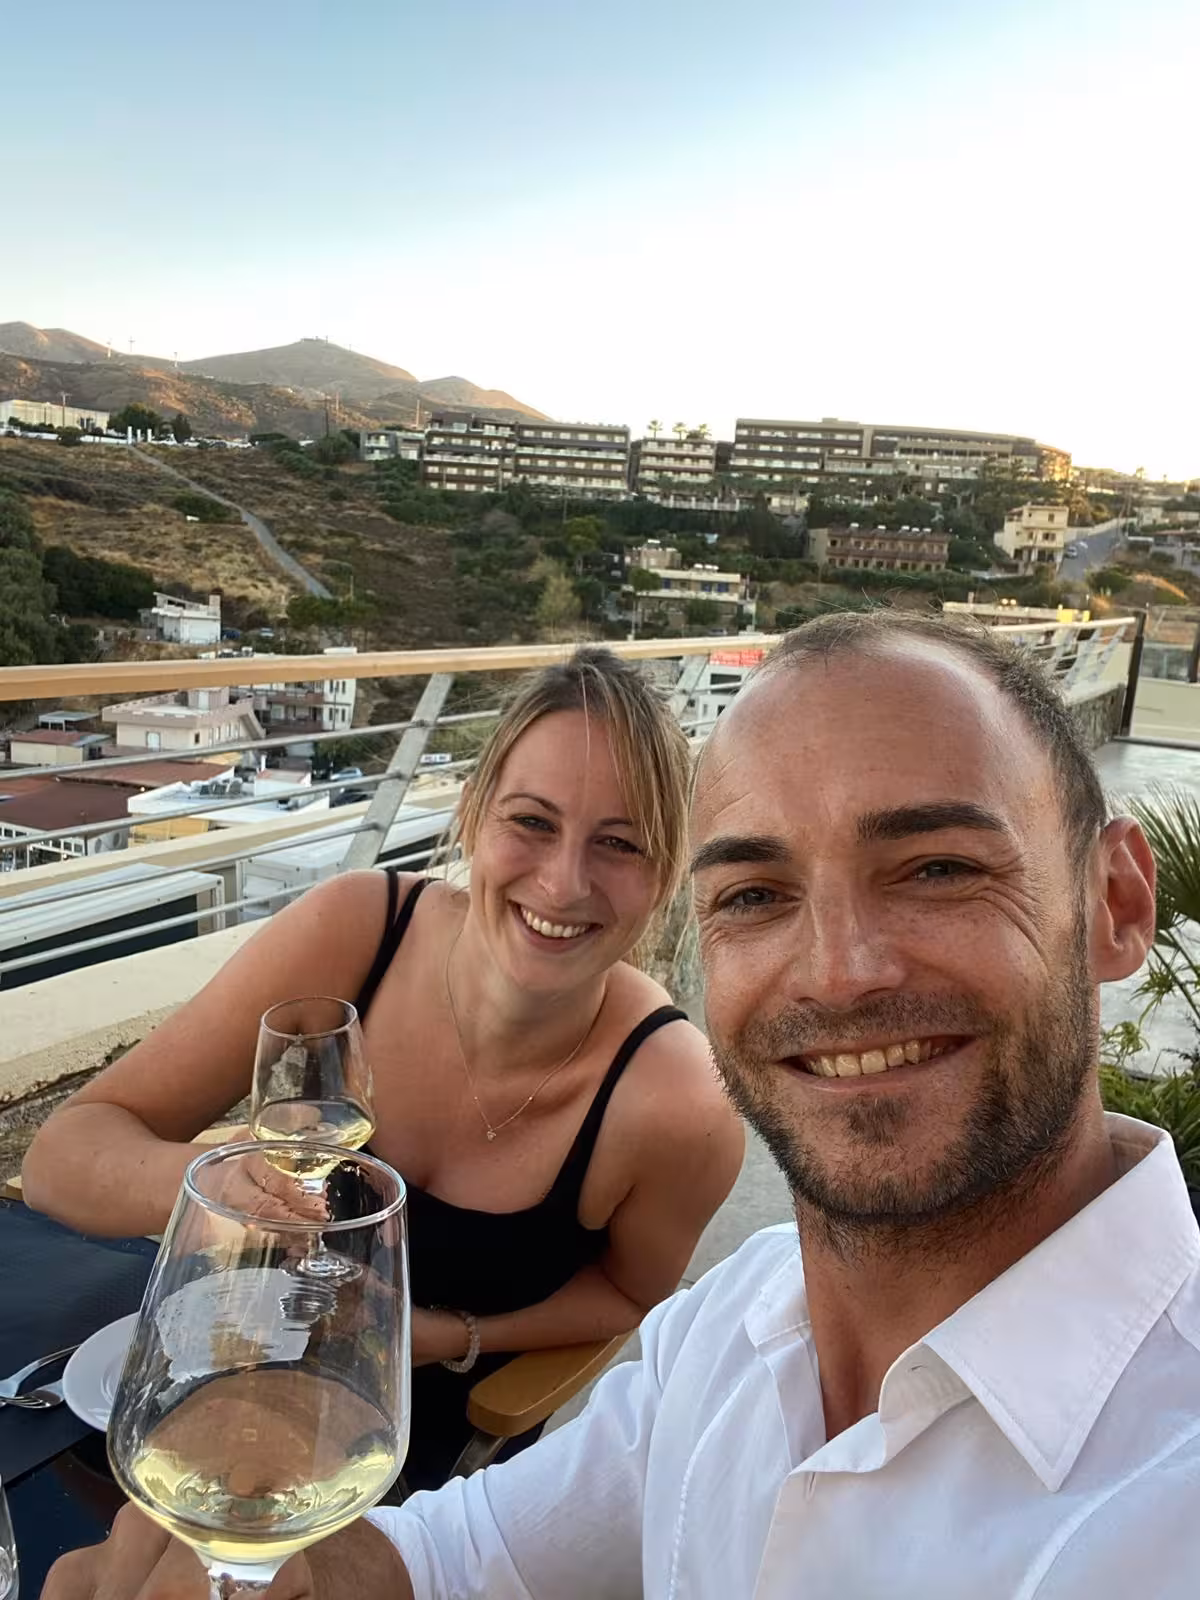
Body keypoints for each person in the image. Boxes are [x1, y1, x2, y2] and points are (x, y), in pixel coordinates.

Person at [45, 610, 1200, 1600]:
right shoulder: (737, 1324)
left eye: (939, 867)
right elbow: (465, 1551)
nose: (840, 971)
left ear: (1115, 902)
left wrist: (445, 1342)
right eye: (757, 892)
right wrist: (274, 1569)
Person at [24, 646, 743, 1490]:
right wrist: (216, 1188)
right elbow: (62, 1158)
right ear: (473, 813)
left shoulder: (679, 1104)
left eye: (619, 843)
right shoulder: (358, 934)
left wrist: (450, 1337)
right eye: (532, 822)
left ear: (666, 876)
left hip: (410, 1474)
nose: (562, 883)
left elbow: (629, 1294)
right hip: (224, 1371)